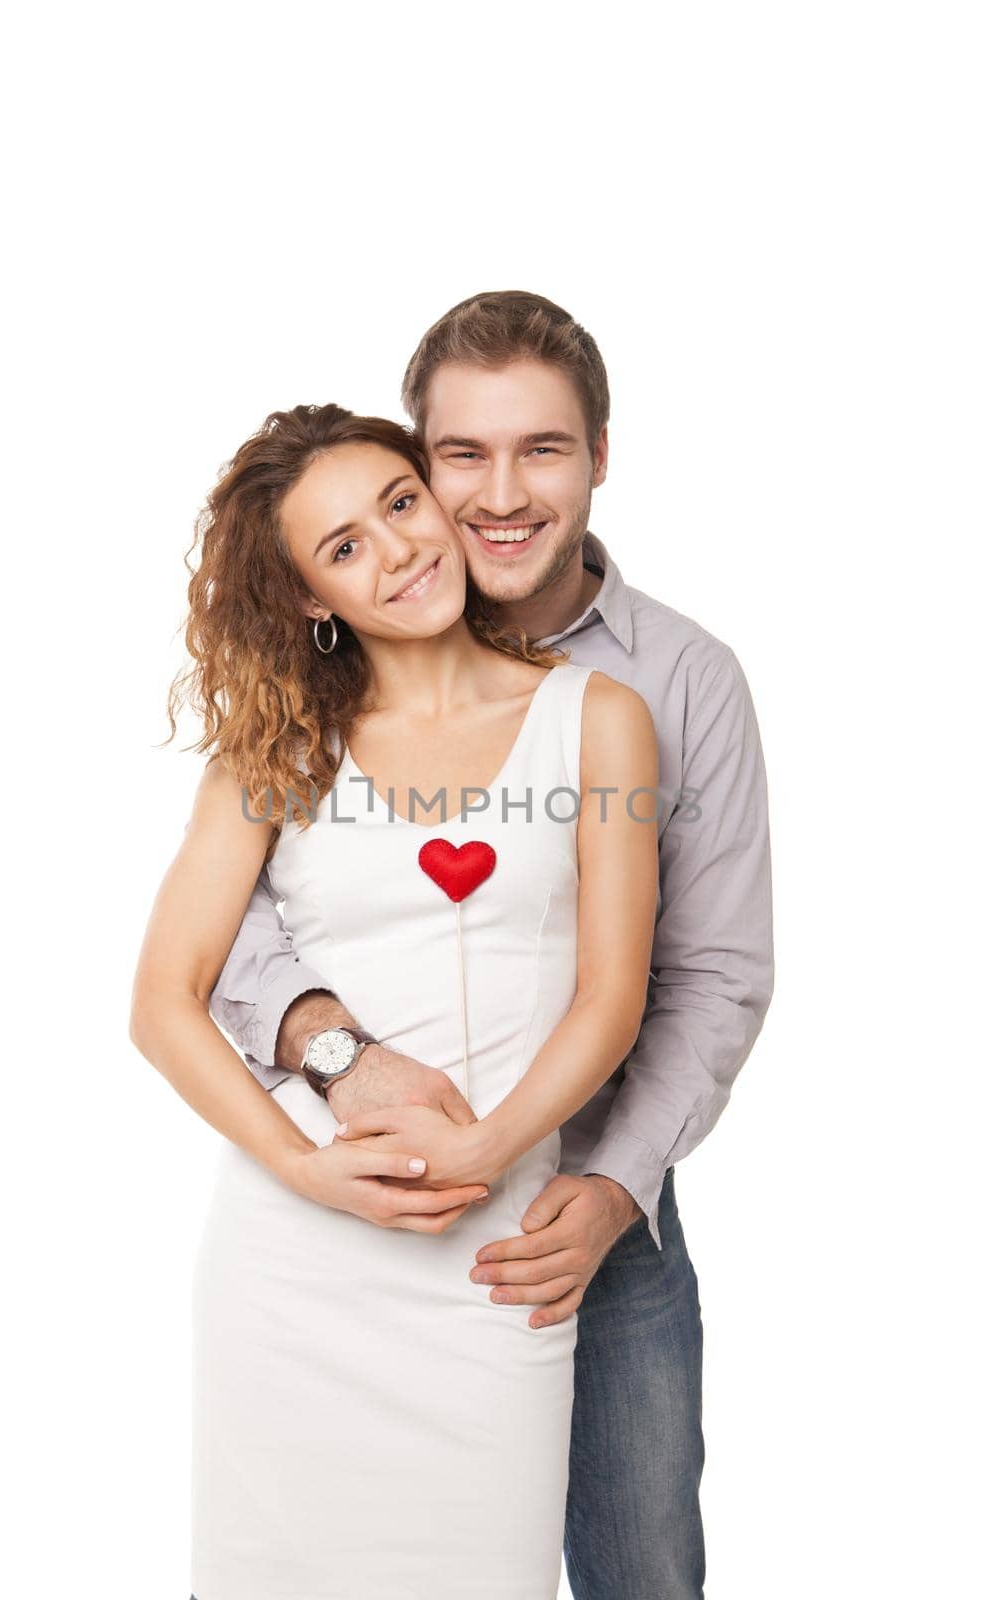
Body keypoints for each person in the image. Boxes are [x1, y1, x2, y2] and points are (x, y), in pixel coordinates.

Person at [209, 290, 775, 1599]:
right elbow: (228, 924)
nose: (501, 494)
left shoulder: (672, 684)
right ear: (416, 464)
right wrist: (332, 1053)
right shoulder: (324, 666)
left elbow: (710, 973)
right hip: (362, 1224)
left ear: (599, 457)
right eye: (460, 456)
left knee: (638, 1570)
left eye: (544, 449)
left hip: (587, 1216)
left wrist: (615, 1184)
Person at [130, 401, 659, 1598]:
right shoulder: (277, 747)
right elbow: (165, 997)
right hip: (294, 1271)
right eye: (344, 547)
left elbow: (611, 994)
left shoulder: (596, 719)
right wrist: (300, 1164)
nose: (399, 549)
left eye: (400, 503)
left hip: (495, 1258)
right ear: (314, 597)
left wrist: (484, 1148)